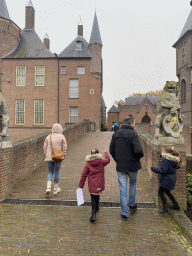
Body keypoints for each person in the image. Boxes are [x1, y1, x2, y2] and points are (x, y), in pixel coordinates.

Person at [109, 116, 144, 221]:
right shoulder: (133, 134)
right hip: (133, 166)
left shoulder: (116, 134)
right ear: (132, 123)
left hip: (121, 167)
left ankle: (124, 213)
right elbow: (138, 150)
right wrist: (138, 158)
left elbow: (111, 150)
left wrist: (118, 160)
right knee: (132, 184)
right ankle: (132, 204)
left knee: (123, 189)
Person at [78, 148, 110, 222]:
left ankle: (93, 214)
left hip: (92, 184)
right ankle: (97, 207)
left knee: (93, 197)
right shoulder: (101, 162)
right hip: (99, 183)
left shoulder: (88, 164)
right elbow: (108, 160)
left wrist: (80, 186)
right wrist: (106, 152)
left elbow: (83, 175)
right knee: (97, 195)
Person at [151, 146, 182, 213]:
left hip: (166, 179)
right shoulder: (175, 160)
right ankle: (176, 205)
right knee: (167, 192)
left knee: (160, 193)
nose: (162, 152)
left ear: (166, 153)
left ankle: (165, 208)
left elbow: (163, 170)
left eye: (163, 151)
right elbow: (177, 167)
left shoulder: (165, 160)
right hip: (172, 178)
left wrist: (153, 169)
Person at [44, 123, 67, 195]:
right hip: (58, 156)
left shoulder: (48, 136)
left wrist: (46, 154)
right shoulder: (61, 137)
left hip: (49, 157)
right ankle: (55, 188)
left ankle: (48, 187)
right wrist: (64, 154)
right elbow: (64, 147)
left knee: (50, 172)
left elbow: (45, 146)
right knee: (57, 171)